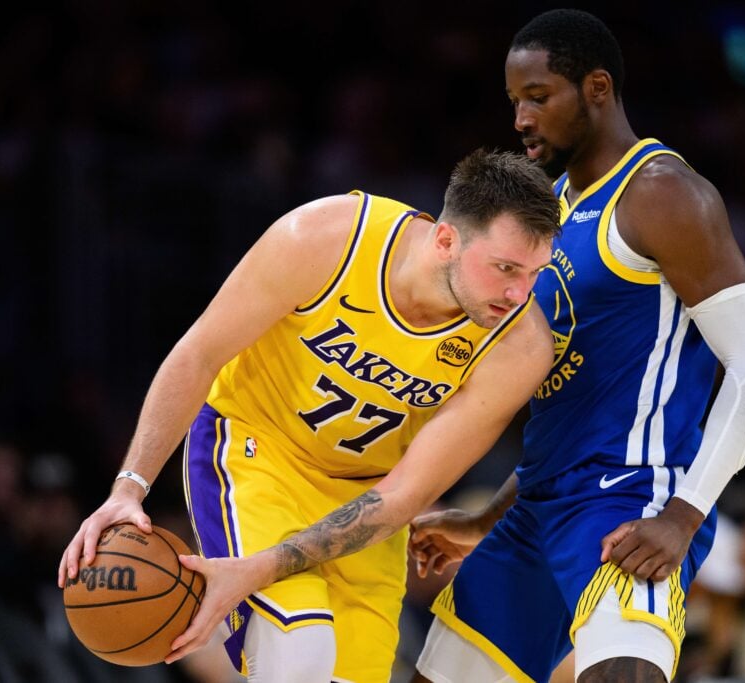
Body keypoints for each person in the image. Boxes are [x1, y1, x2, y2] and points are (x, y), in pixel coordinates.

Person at [58, 148, 562, 683]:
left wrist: (262, 568)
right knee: (301, 653)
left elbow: (404, 495)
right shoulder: (326, 239)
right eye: (506, 268)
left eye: (536, 272)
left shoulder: (519, 348)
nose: (519, 293)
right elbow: (199, 354)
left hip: (366, 499)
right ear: (445, 240)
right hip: (257, 452)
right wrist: (129, 488)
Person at [408, 9, 745, 683]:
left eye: (538, 97)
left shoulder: (662, 195)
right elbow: (573, 403)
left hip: (630, 502)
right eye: (514, 101)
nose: (521, 119)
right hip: (536, 509)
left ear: (597, 88)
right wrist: (488, 517)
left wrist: (682, 516)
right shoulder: (549, 211)